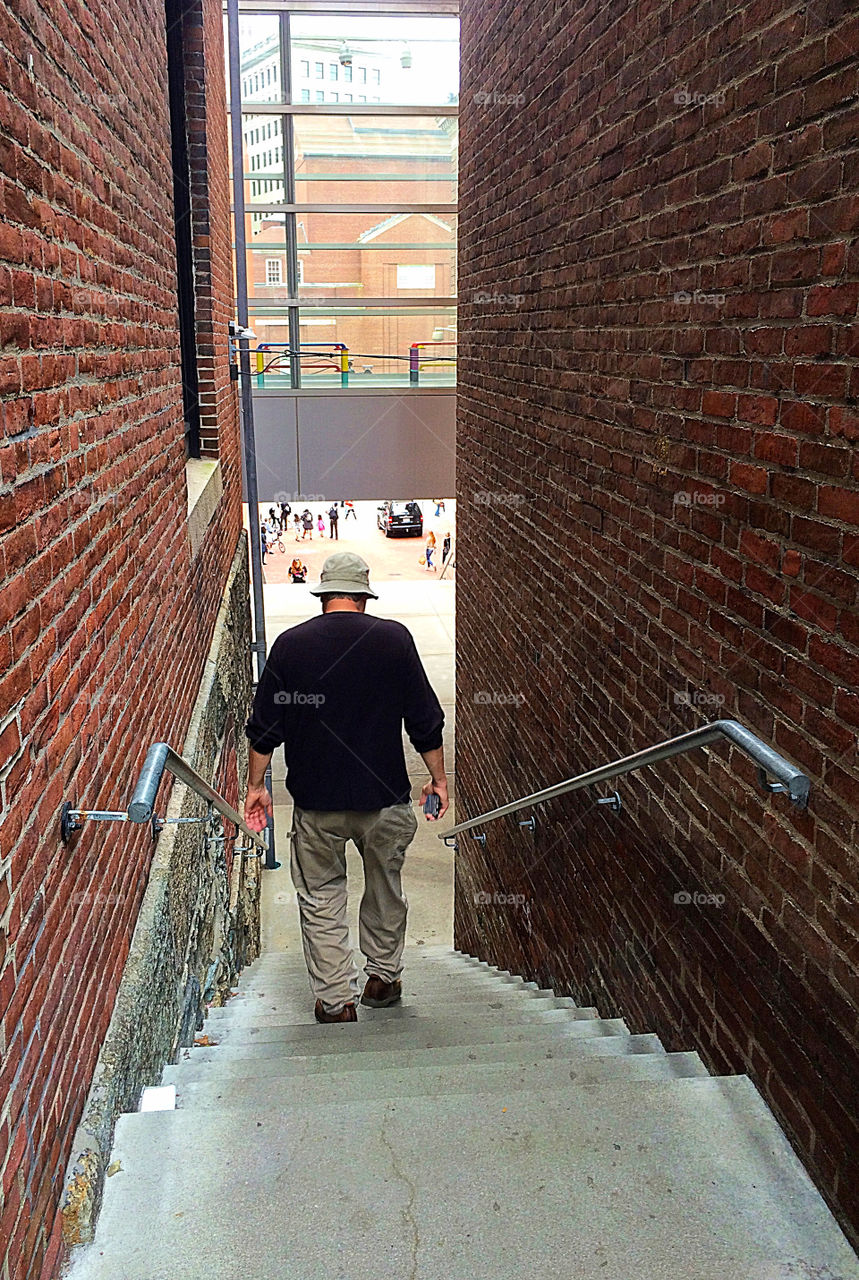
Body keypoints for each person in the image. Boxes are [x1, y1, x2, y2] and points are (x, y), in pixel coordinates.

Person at [244, 553, 448, 1024]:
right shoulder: (394, 640)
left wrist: (257, 787)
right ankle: (382, 977)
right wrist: (437, 778)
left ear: (323, 597)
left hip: (317, 804)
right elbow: (425, 721)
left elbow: (264, 729)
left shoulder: (290, 646)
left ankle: (336, 1001)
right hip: (385, 797)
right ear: (363, 597)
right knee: (385, 887)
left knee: (320, 897)